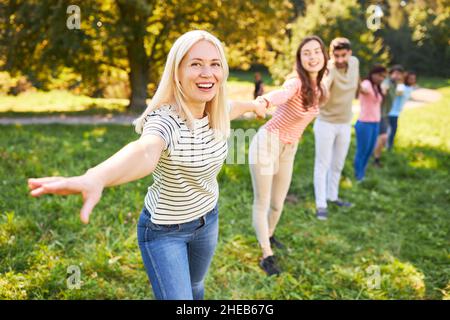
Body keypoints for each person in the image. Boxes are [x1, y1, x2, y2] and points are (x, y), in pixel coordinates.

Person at [27, 30, 266, 300]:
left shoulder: (216, 110)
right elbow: (144, 151)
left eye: (215, 64)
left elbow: (235, 107)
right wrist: (97, 177)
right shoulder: (165, 121)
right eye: (195, 64)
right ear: (177, 72)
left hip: (208, 219)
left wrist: (257, 105)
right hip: (166, 231)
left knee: (196, 286)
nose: (207, 73)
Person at [249, 35, 328, 276]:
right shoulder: (295, 82)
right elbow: (281, 94)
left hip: (289, 149)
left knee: (277, 203)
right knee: (262, 202)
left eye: (316, 51)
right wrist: (263, 99)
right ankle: (266, 255)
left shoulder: (322, 85)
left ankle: (269, 235)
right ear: (300, 59)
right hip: (267, 143)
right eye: (306, 53)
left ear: (324, 55)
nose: (312, 56)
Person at [313, 37, 359, 220]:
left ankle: (332, 196)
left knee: (338, 163)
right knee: (322, 164)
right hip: (326, 123)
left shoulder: (355, 63)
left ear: (350, 53)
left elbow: (355, 81)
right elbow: (323, 88)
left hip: (345, 123)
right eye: (336, 56)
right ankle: (320, 204)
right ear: (331, 55)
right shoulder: (330, 69)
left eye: (343, 55)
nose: (340, 59)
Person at [354, 65, 386, 182]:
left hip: (375, 123)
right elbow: (361, 88)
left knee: (369, 151)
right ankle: (358, 176)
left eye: (383, 76)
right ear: (373, 73)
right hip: (364, 123)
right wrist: (355, 75)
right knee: (362, 151)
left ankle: (362, 172)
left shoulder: (378, 87)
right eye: (379, 75)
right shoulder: (367, 83)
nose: (381, 78)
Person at [373, 65, 404, 167]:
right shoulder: (387, 82)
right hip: (379, 114)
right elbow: (384, 87)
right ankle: (374, 159)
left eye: (399, 74)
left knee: (382, 138)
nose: (397, 75)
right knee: (383, 137)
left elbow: (400, 93)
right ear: (391, 74)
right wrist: (383, 92)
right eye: (395, 73)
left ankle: (376, 159)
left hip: (385, 114)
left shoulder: (396, 84)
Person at [387, 71, 417, 150]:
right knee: (391, 131)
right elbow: (398, 92)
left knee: (392, 131)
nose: (413, 81)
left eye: (414, 79)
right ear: (406, 79)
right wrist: (400, 81)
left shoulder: (409, 87)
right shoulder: (402, 87)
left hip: (395, 112)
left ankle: (388, 146)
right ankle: (388, 147)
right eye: (411, 79)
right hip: (392, 112)